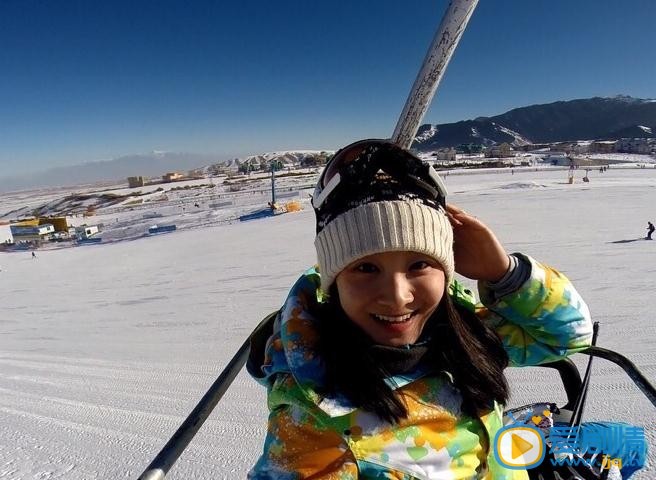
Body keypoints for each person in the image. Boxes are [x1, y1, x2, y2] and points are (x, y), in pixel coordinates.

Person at [247, 139, 593, 480]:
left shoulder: (459, 330)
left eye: (419, 265)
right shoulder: (316, 420)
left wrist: (503, 272)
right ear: (333, 282)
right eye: (365, 268)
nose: (397, 297)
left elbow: (568, 335)